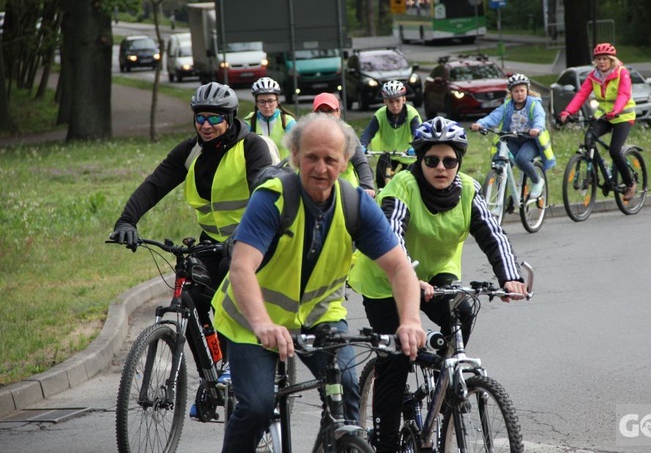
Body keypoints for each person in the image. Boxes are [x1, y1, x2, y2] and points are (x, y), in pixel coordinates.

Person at [211, 113, 426, 453]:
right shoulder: (273, 199)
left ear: (344, 163)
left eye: (331, 159)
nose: (321, 168)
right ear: (295, 156)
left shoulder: (356, 205)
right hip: (251, 321)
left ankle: (338, 443)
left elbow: (399, 268)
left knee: (347, 387)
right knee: (257, 407)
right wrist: (263, 324)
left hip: (318, 315)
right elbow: (241, 268)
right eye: (311, 157)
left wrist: (411, 321)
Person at [348, 117, 529, 453]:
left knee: (462, 311)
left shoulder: (469, 191)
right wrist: (407, 278)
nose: (441, 167)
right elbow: (391, 234)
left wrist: (511, 277)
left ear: (458, 162)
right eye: (432, 160)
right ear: (420, 160)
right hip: (385, 280)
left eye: (450, 161)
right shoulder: (403, 186)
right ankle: (386, 444)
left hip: (435, 276)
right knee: (398, 360)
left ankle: (446, 386)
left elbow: (493, 235)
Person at [109, 82, 274, 386]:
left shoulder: (252, 147)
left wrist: (243, 235)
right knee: (192, 294)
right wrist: (127, 221)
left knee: (231, 284)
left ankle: (236, 364)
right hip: (212, 241)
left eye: (214, 118)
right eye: (200, 118)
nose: (206, 125)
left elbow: (263, 194)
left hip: (252, 240)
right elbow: (154, 185)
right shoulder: (191, 150)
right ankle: (211, 376)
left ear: (230, 117)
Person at [559, 43, 638, 201]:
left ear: (611, 60)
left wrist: (616, 110)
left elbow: (623, 94)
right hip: (604, 115)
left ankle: (630, 184)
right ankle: (593, 176)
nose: (601, 62)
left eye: (604, 59)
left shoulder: (622, 73)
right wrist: (568, 111)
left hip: (622, 115)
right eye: (598, 59)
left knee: (615, 151)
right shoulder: (593, 76)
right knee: (589, 138)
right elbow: (582, 94)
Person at [470, 73, 555, 198]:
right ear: (511, 93)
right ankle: (501, 189)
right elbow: (494, 116)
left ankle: (537, 181)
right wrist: (480, 124)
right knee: (500, 160)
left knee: (522, 159)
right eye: (516, 91)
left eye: (522, 90)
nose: (519, 94)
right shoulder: (507, 105)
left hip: (530, 141)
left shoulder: (533, 104)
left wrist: (536, 128)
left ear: (527, 90)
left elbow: (539, 117)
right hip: (513, 140)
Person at [360, 80, 422, 189]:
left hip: (408, 155)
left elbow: (418, 134)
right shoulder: (380, 114)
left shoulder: (412, 115)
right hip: (387, 154)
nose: (395, 105)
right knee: (380, 179)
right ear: (385, 102)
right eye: (391, 101)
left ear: (404, 99)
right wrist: (362, 145)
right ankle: (382, 200)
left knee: (407, 183)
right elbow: (368, 133)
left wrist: (415, 147)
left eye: (398, 101)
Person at [312, 92, 376, 197]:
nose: (325, 116)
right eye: (320, 112)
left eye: (330, 111)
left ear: (338, 113)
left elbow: (361, 162)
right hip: (318, 192)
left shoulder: (346, 133)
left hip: (346, 192)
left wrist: (367, 186)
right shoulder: (308, 135)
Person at [244, 77, 296, 159]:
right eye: (262, 102)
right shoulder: (249, 122)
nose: (267, 106)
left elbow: (298, 148)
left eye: (270, 101)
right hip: (260, 170)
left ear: (277, 102)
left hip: (285, 169)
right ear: (256, 103)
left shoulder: (288, 121)